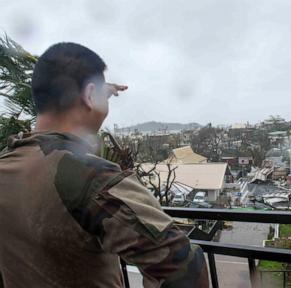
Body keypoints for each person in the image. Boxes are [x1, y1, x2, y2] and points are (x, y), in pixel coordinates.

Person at [0, 43, 208, 288]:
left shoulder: (7, 164)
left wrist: (98, 90)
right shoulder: (92, 177)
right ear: (89, 96)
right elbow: (184, 268)